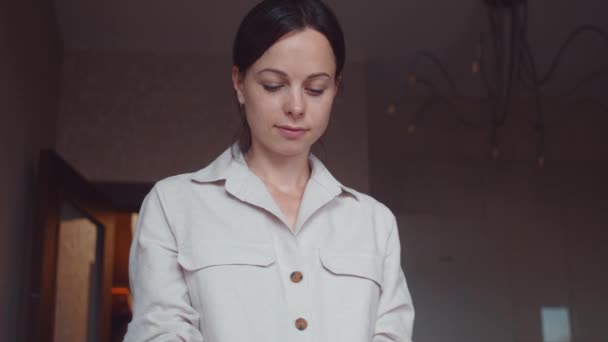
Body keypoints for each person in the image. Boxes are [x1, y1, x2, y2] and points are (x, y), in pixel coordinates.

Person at [124, 0, 414, 341]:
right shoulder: (173, 205)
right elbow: (161, 333)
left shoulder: (374, 223)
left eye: (315, 89)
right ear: (239, 82)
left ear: (336, 89)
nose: (295, 106)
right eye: (274, 85)